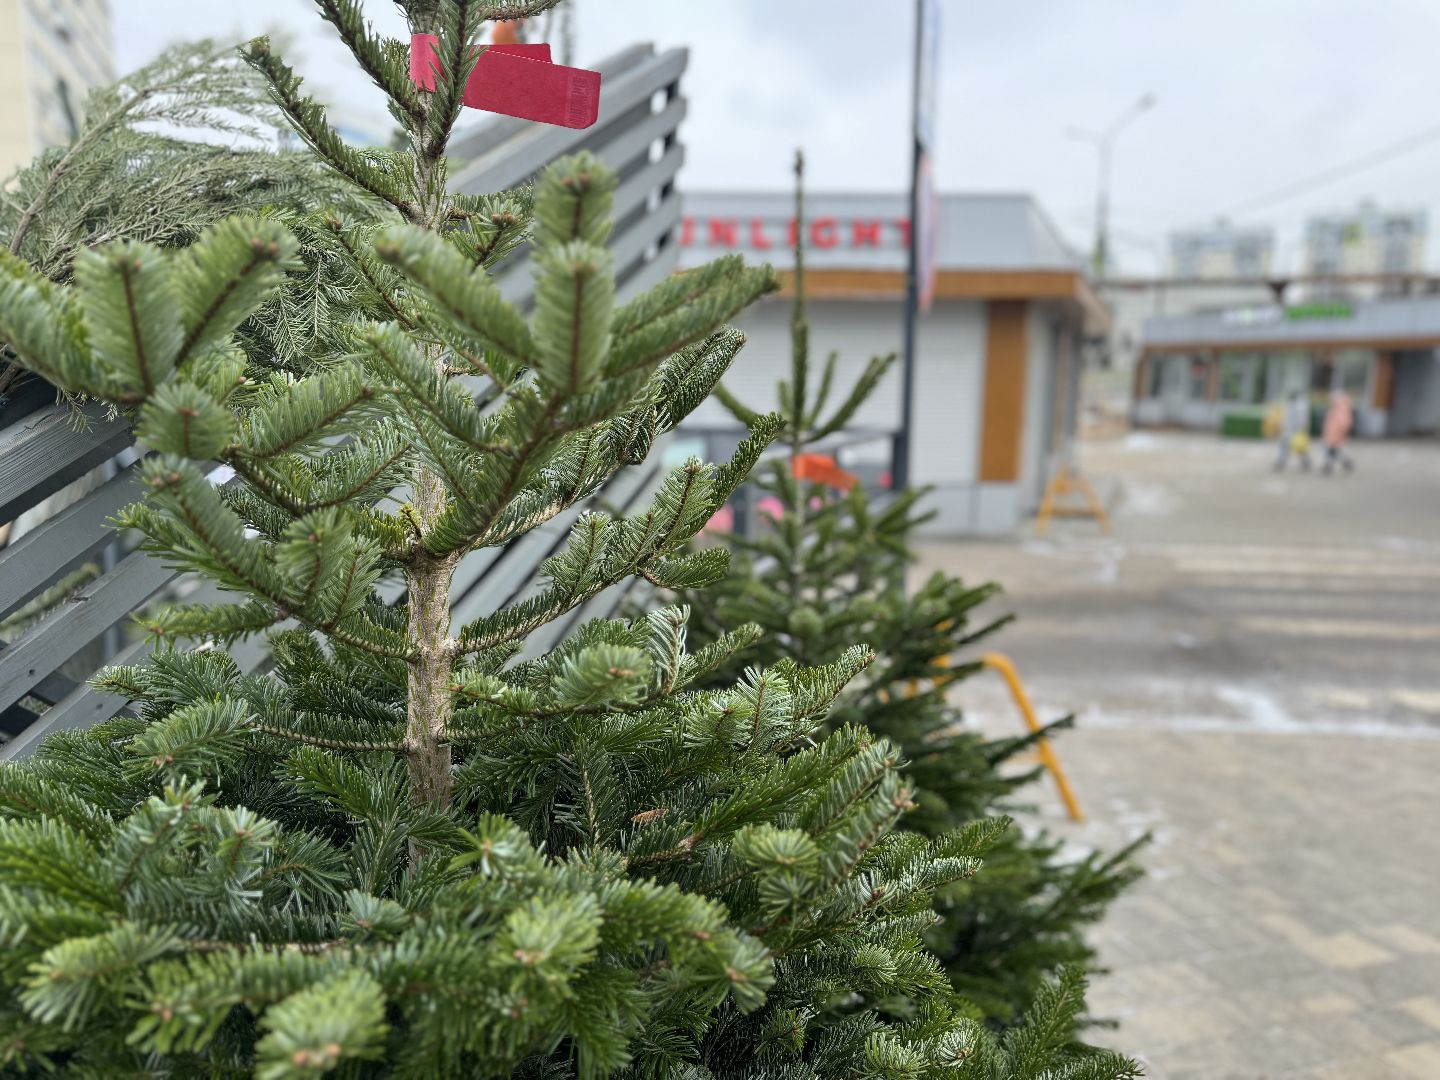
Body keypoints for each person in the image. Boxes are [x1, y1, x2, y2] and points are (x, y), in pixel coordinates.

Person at [1274, 390, 1312, 472]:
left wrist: (1300, 430)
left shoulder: (1300, 406)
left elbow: (1301, 420)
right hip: (1288, 431)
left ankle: (1306, 462)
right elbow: (1286, 419)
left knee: (1300, 448)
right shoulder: (1291, 405)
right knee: (1285, 447)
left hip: (1296, 431)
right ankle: (1281, 462)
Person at [1321, 388, 1356, 474]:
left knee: (1332, 450)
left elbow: (1344, 423)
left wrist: (1340, 433)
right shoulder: (1335, 408)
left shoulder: (1341, 408)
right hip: (1331, 434)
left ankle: (1330, 465)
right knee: (1334, 450)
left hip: (1335, 434)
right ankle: (1343, 462)